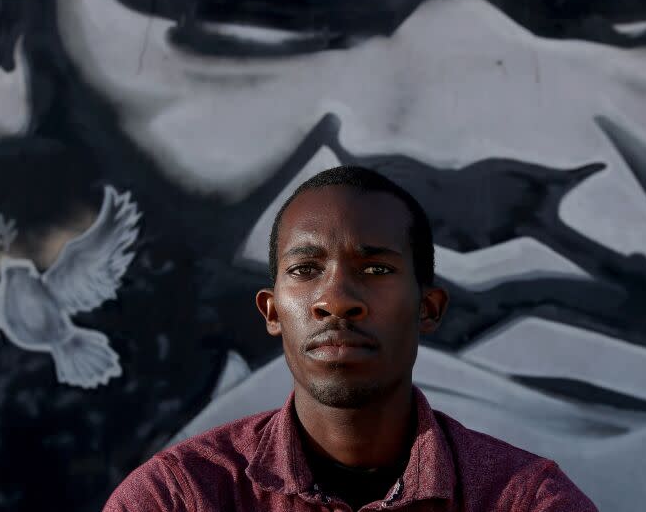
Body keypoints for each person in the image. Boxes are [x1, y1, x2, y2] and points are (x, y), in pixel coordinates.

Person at [103, 166, 598, 512]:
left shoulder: (524, 500)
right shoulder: (178, 497)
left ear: (428, 309)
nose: (336, 298)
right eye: (305, 269)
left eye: (377, 268)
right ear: (272, 312)